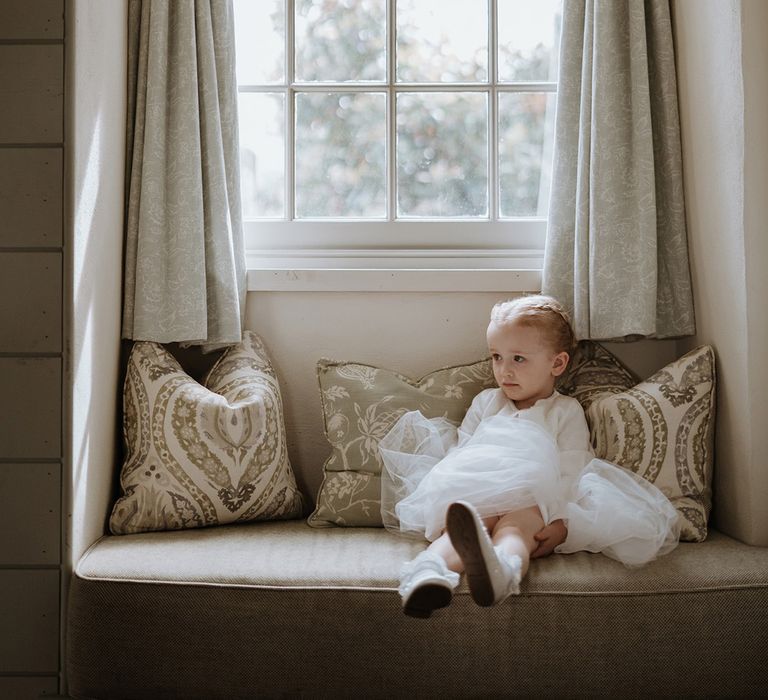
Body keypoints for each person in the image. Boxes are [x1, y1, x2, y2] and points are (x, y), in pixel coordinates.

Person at [379, 295, 680, 618]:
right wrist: (443, 497)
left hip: (533, 495)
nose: (504, 370)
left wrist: (561, 520)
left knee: (516, 530)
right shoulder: (486, 403)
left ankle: (502, 572)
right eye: (496, 357)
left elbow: (573, 465)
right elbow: (462, 449)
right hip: (477, 487)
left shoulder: (564, 410)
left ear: (557, 364)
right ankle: (428, 574)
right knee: (463, 529)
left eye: (518, 359)